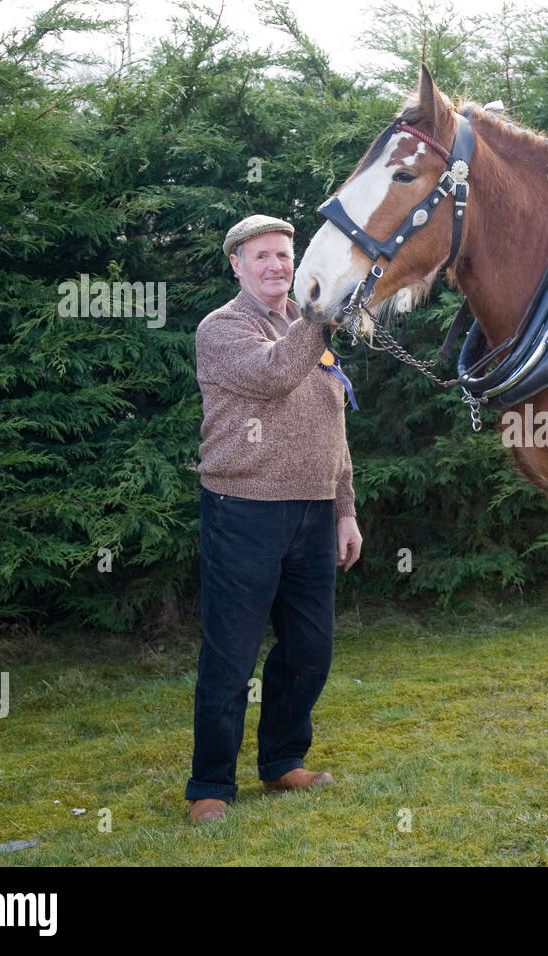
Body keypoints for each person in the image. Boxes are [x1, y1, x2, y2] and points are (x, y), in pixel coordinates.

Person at [186, 214, 362, 824]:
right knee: (231, 655)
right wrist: (325, 313)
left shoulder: (306, 328)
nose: (275, 266)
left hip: (315, 512)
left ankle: (284, 761)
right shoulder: (222, 328)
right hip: (243, 513)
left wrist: (345, 510)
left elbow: (332, 427)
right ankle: (210, 785)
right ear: (237, 264)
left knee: (311, 648)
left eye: (285, 255)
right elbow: (274, 373)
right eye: (261, 256)